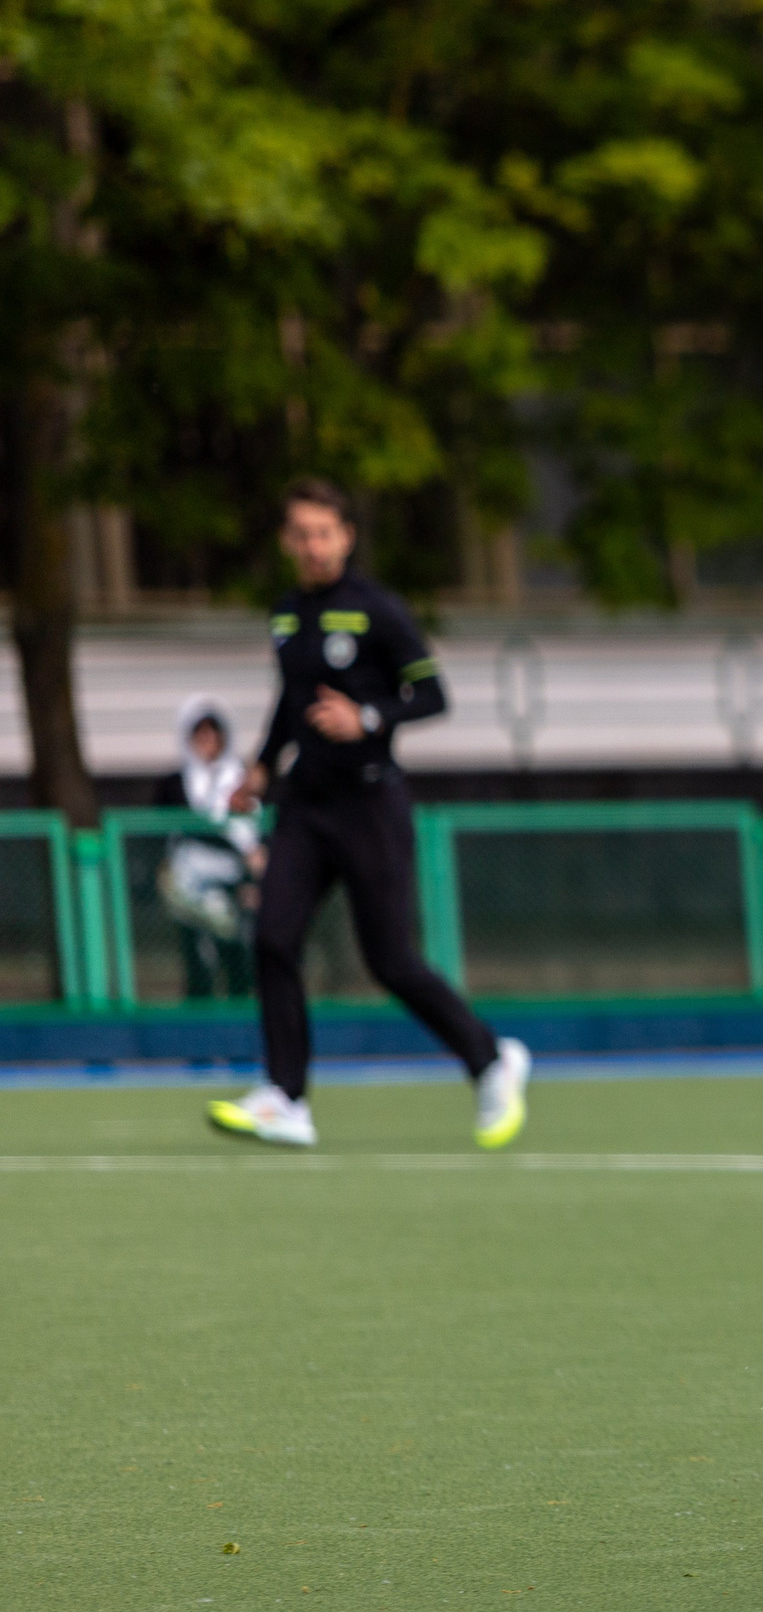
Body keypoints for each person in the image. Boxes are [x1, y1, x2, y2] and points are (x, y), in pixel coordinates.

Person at [207, 478, 531, 1150]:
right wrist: (262, 766)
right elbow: (290, 702)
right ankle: (286, 1098)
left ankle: (490, 1060)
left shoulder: (377, 609)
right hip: (305, 805)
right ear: (286, 541)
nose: (313, 545)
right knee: (272, 937)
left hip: (370, 804)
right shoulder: (287, 614)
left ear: (346, 536)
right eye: (301, 533)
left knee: (391, 961)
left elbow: (434, 695)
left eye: (324, 532)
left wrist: (370, 717)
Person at [155, 696, 263, 999]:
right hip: (191, 885)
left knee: (239, 955)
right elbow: (173, 832)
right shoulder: (174, 784)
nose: (207, 741)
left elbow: (255, 836)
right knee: (200, 959)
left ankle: (241, 1034)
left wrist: (251, 877)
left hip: (234, 882)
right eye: (199, 733)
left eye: (213, 732)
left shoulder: (241, 779)